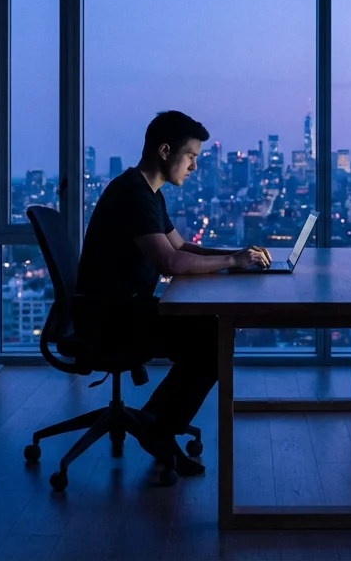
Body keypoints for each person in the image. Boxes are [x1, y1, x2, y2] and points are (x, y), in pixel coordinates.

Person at [76, 110, 269, 479]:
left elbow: (181, 247)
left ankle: (157, 422)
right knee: (212, 340)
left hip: (123, 309)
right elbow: (169, 262)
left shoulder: (146, 192)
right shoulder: (133, 194)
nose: (194, 166)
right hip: (108, 320)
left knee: (208, 334)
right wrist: (232, 260)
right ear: (165, 151)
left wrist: (237, 255)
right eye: (191, 156)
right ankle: (158, 428)